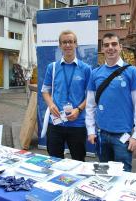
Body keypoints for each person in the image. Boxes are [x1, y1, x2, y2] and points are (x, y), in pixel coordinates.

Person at [85, 32, 136, 172]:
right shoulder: (95, 73)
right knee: (104, 175)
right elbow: (90, 105)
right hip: (101, 135)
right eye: (106, 45)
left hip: (122, 137)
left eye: (114, 44)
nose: (110, 48)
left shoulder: (131, 71)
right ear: (103, 49)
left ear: (120, 47)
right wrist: (90, 130)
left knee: (123, 176)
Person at [41, 30, 91, 161]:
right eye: (64, 42)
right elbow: (45, 90)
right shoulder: (52, 67)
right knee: (54, 161)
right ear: (60, 45)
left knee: (78, 161)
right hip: (56, 123)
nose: (68, 45)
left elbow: (91, 95)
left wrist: (79, 109)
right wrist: (51, 104)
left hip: (77, 123)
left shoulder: (86, 69)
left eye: (71, 42)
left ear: (76, 44)